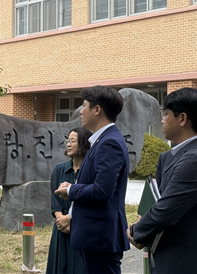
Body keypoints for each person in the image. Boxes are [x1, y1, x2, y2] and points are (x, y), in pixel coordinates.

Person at [126, 87, 197, 274]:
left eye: (166, 114)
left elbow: (167, 209)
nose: (162, 120)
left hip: (184, 263)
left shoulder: (196, 159)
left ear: (182, 119)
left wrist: (136, 231)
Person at [54, 86, 130, 274]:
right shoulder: (100, 140)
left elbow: (102, 190)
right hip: (96, 235)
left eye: (84, 105)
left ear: (97, 109)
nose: (81, 111)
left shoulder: (109, 142)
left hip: (100, 236)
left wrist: (71, 191)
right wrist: (74, 186)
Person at [46, 127, 92, 274]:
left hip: (82, 229)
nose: (68, 144)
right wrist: (62, 220)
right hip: (61, 228)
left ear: (83, 144)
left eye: (73, 141)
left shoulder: (91, 171)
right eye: (68, 140)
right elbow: (55, 202)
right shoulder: (58, 170)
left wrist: (71, 220)